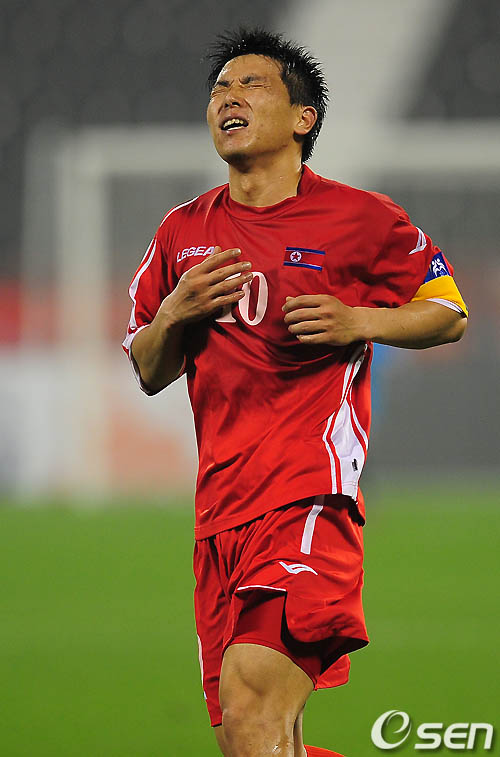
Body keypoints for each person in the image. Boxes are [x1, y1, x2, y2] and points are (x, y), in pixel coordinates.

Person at [122, 28, 468, 757]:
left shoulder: (361, 218)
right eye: (220, 88)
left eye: (251, 84)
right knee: (250, 737)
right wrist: (175, 312)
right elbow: (148, 369)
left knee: (252, 708)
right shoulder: (182, 231)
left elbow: (449, 311)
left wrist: (359, 320)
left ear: (302, 118)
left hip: (308, 500)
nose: (229, 97)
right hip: (219, 518)